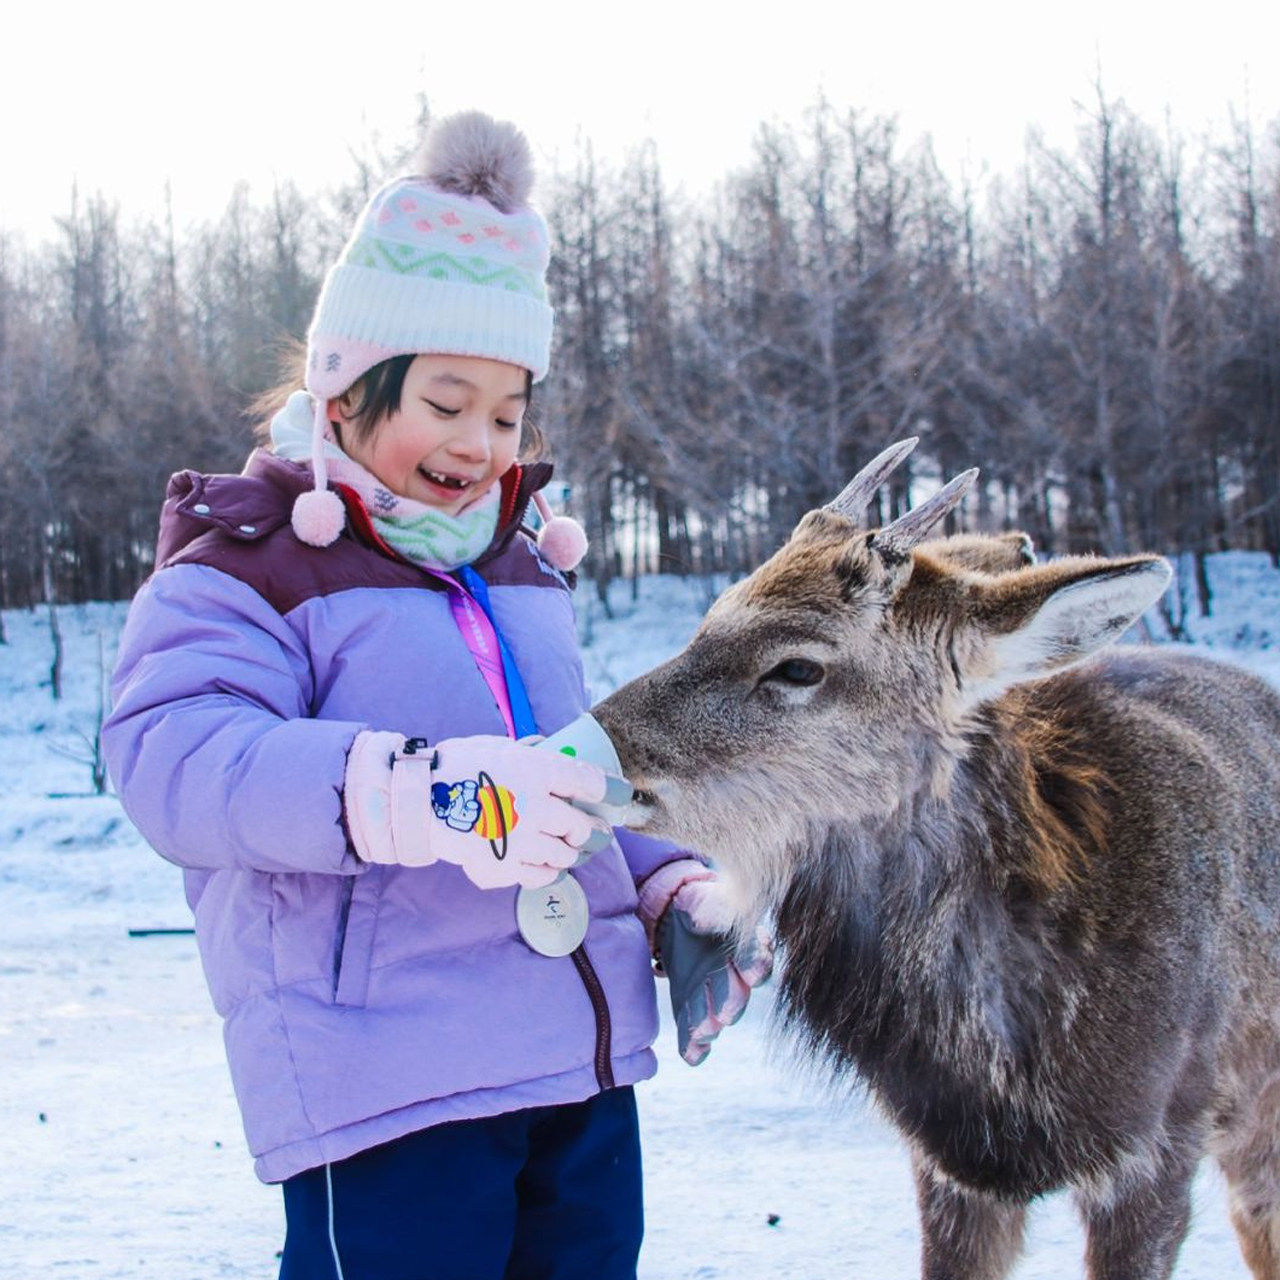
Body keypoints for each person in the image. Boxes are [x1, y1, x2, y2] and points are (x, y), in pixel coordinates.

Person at [103, 111, 769, 1280]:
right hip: (387, 1087)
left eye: (507, 413)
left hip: (574, 1073)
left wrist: (666, 884)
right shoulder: (251, 563)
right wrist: (418, 794)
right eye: (446, 401)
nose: (480, 441)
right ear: (344, 391)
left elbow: (571, 775)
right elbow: (174, 757)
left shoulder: (520, 568)